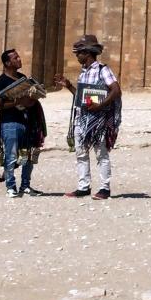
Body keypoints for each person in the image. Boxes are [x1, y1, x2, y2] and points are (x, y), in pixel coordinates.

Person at [56, 34, 121, 200]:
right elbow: (82, 97)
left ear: (87, 53)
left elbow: (116, 90)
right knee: (81, 153)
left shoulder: (102, 70)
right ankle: (83, 187)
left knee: (101, 154)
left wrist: (100, 105)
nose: (77, 56)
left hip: (99, 121)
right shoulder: (83, 73)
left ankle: (104, 188)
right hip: (82, 119)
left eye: (79, 53)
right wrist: (69, 86)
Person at [0, 48, 47, 197]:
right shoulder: (1, 81)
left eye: (19, 57)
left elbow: (29, 101)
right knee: (11, 156)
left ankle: (25, 186)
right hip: (10, 122)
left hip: (28, 121)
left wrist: (34, 96)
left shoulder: (23, 78)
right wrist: (17, 102)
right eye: (15, 58)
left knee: (27, 155)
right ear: (7, 63)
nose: (19, 59)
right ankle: (11, 187)